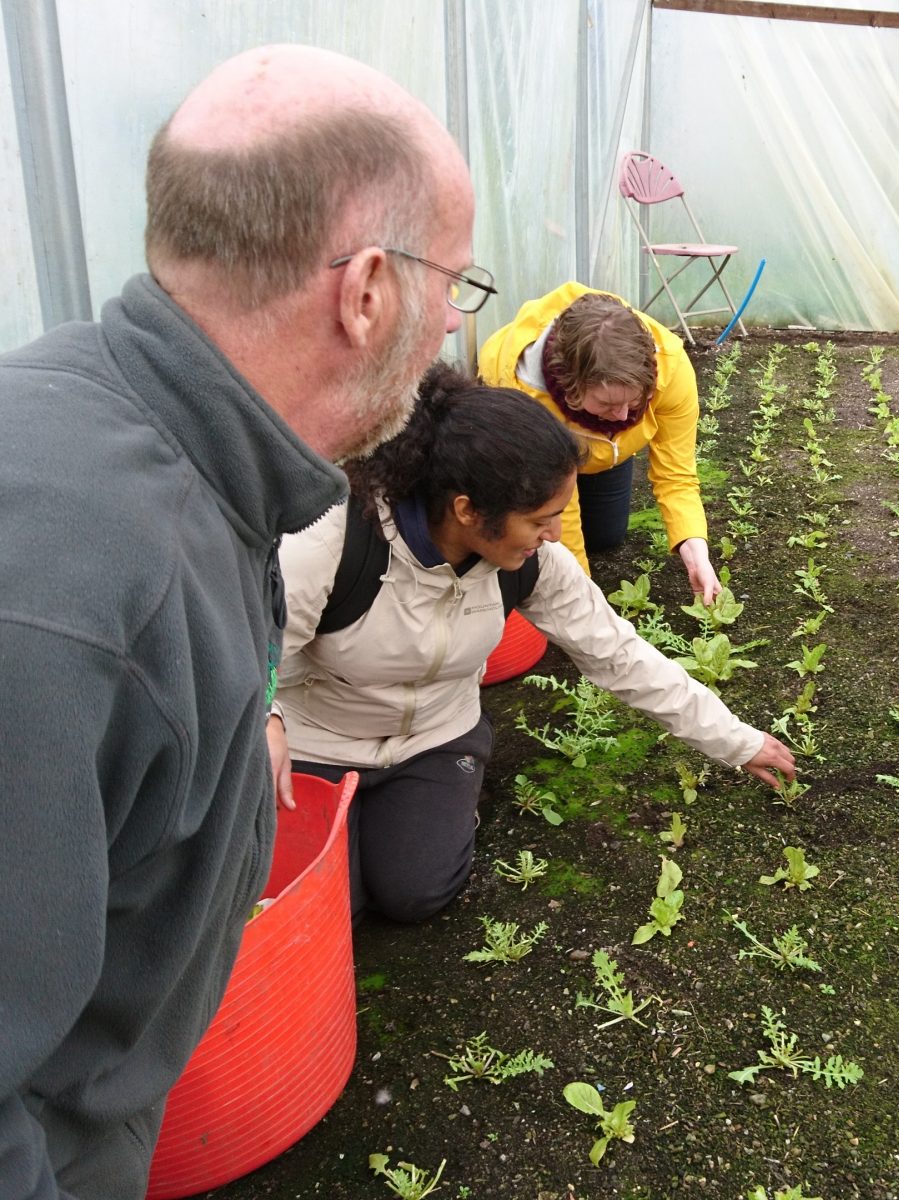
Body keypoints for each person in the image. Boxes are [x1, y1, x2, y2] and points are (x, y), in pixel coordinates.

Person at [0, 45, 482, 1199]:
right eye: (457, 285)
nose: (453, 329)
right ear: (365, 291)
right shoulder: (69, 611)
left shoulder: (158, 443)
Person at [277, 365, 796, 923]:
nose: (553, 536)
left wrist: (736, 741)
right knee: (327, 909)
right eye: (541, 520)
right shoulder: (335, 540)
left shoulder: (533, 564)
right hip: (318, 742)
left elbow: (618, 653)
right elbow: (245, 657)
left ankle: (441, 802)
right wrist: (268, 721)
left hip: (434, 734)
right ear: (467, 510)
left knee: (415, 894)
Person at [478, 283, 718, 602]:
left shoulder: (671, 369)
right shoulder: (526, 397)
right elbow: (557, 505)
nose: (621, 417)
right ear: (570, 388)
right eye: (607, 405)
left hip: (597, 448)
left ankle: (597, 458)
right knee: (535, 536)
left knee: (604, 537)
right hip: (531, 444)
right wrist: (582, 597)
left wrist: (694, 549)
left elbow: (677, 476)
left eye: (633, 404)